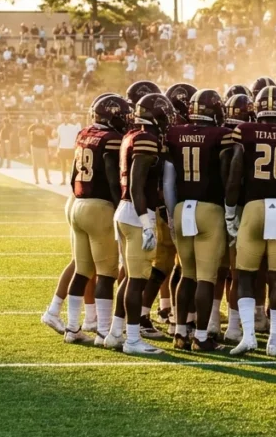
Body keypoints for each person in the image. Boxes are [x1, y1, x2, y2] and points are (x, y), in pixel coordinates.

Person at [225, 86, 276, 356]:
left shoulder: (246, 132)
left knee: (247, 275)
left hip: (253, 207)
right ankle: (274, 341)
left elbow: (235, 173)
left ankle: (249, 335)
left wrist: (229, 210)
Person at [162, 89, 232, 351]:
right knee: (206, 278)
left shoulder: (175, 134)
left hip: (182, 207)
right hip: (209, 209)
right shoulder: (220, 136)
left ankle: (180, 333)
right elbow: (228, 175)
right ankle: (201, 337)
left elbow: (168, 181)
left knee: (186, 275)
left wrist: (172, 213)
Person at [108, 93, 174, 355]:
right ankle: (133, 339)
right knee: (136, 280)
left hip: (125, 213)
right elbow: (137, 185)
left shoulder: (131, 135)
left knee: (128, 278)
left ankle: (115, 332)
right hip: (136, 214)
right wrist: (147, 222)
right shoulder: (146, 139)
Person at [63, 95, 126, 346]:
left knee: (82, 270)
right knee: (106, 274)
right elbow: (112, 179)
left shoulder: (83, 133)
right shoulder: (111, 140)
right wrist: (119, 207)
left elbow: (72, 175)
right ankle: (102, 331)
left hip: (78, 202)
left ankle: (71, 328)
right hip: (99, 206)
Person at [56, 113, 82, 186]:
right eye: (64, 118)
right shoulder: (60, 127)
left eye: (67, 118)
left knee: (71, 165)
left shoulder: (73, 127)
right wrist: (57, 148)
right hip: (62, 148)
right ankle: (63, 180)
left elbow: (78, 131)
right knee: (63, 165)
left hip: (70, 149)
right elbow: (59, 138)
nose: (66, 120)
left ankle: (71, 179)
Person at [28, 118, 51, 185]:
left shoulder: (45, 127)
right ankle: (36, 179)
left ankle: (47, 179)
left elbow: (48, 135)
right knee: (35, 163)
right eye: (38, 122)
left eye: (40, 122)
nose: (39, 123)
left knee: (45, 163)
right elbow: (29, 134)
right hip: (34, 146)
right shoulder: (33, 127)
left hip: (43, 147)